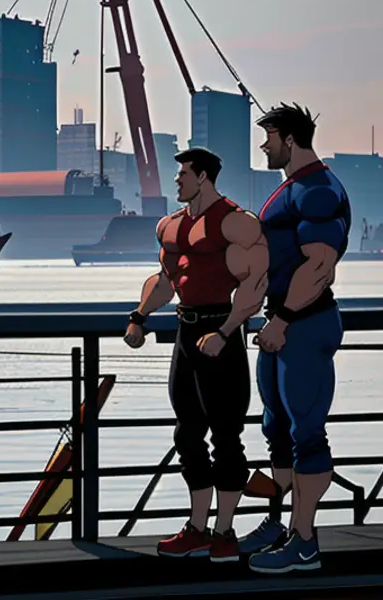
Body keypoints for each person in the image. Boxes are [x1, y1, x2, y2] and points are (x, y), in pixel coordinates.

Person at [124, 147, 269, 564]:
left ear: (203, 177)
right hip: (186, 332)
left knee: (226, 436)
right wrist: (139, 317)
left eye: (183, 173)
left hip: (220, 330)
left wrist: (226, 331)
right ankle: (198, 528)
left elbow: (255, 281)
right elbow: (167, 281)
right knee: (187, 434)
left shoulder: (236, 223)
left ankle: (224, 533)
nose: (177, 180)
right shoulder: (169, 227)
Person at [241, 103, 351, 575]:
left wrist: (282, 320)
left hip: (303, 325)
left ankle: (304, 542)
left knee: (306, 432)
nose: (263, 146)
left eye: (268, 138)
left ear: (289, 138)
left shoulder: (318, 191)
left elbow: (319, 267)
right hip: (282, 323)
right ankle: (279, 525)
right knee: (277, 429)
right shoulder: (292, 189)